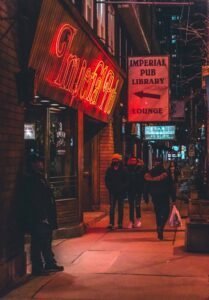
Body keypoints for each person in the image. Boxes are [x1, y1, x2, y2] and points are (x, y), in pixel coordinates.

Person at [18, 154, 64, 275]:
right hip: (38, 217)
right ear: (33, 164)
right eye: (39, 162)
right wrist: (42, 216)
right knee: (38, 242)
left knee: (46, 241)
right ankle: (38, 268)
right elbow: (35, 200)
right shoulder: (31, 179)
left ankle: (49, 263)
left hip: (45, 215)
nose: (41, 164)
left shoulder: (39, 177)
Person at [144, 158, 176, 240]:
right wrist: (173, 198)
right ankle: (161, 227)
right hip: (164, 195)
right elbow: (171, 186)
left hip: (155, 196)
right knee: (166, 212)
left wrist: (146, 196)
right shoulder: (166, 173)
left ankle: (159, 228)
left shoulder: (150, 173)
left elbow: (146, 186)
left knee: (158, 212)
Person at [105, 153, 128, 230]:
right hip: (112, 191)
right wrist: (110, 187)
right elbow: (107, 180)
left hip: (121, 192)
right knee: (112, 208)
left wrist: (123, 188)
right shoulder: (109, 170)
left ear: (119, 161)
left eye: (116, 159)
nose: (115, 161)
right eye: (114, 159)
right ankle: (111, 223)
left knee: (120, 208)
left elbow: (126, 180)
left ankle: (120, 223)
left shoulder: (123, 169)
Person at [127, 157, 146, 229]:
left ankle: (138, 220)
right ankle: (131, 221)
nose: (133, 162)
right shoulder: (128, 169)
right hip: (131, 189)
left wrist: (142, 165)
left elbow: (144, 174)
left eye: (134, 161)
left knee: (137, 205)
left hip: (138, 189)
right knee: (131, 206)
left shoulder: (139, 168)